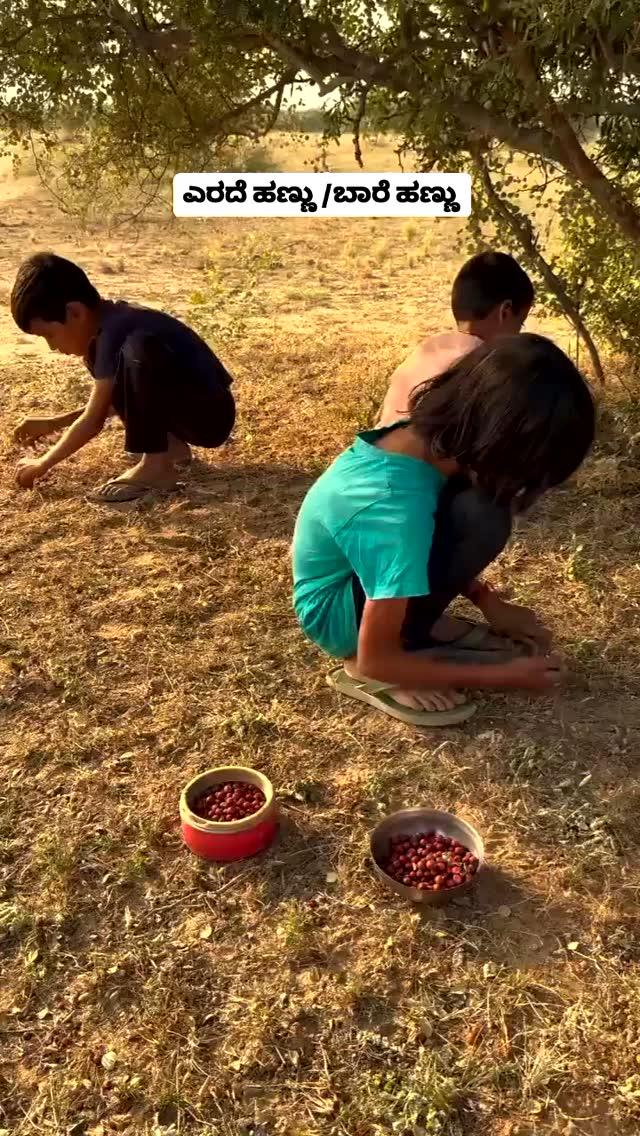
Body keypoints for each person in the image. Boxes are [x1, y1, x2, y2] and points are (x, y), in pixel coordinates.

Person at [292, 334, 595, 728]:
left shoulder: (428, 439)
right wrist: (504, 678)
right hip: (338, 617)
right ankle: (391, 659)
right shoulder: (395, 505)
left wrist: (488, 601)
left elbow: (434, 536)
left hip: (368, 576)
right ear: (500, 443)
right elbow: (375, 656)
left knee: (479, 508)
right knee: (483, 513)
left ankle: (420, 625)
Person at [11, 252, 235, 503]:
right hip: (192, 413)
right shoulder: (105, 334)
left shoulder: (119, 332)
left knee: (138, 348)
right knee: (116, 356)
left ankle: (156, 466)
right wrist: (54, 423)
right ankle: (170, 448)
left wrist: (42, 464)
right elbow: (113, 403)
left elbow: (94, 420)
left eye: (49, 335)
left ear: (75, 312)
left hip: (210, 415)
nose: (52, 347)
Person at [378, 250, 534, 428]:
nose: (518, 335)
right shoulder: (484, 365)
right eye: (520, 324)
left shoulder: (428, 348)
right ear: (505, 311)